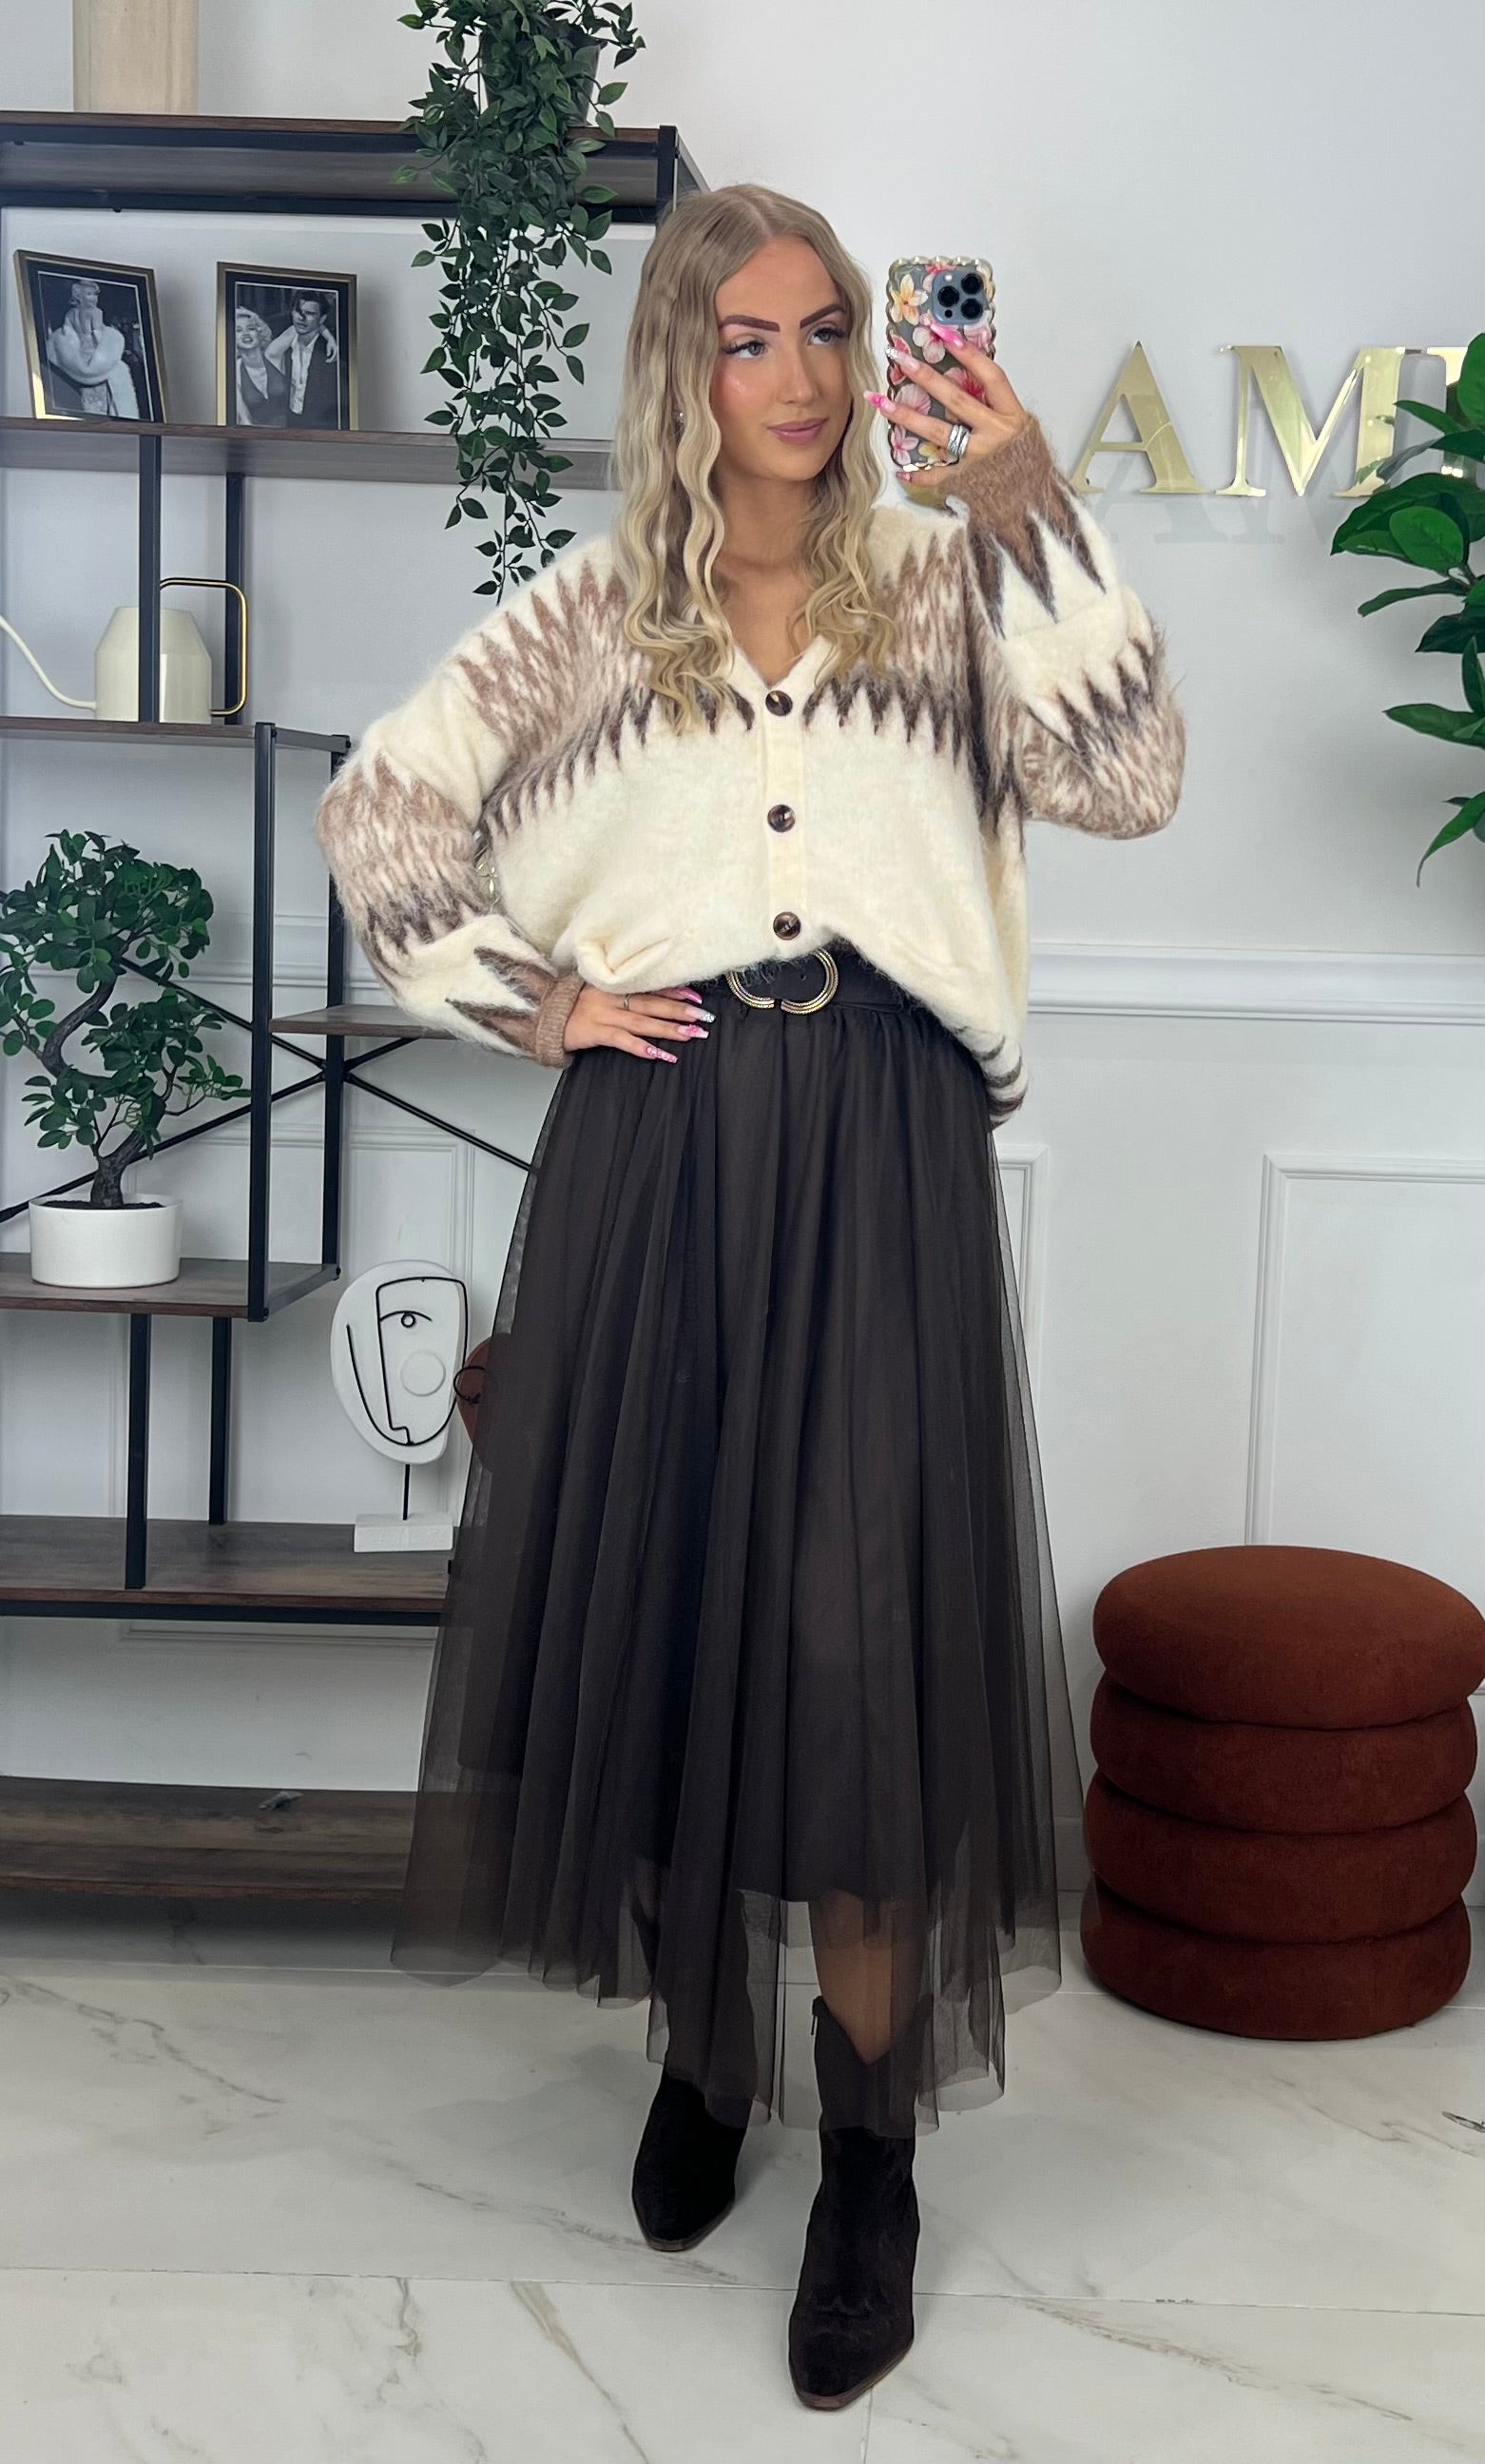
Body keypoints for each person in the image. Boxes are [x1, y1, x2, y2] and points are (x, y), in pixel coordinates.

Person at [313, 184, 1186, 2411]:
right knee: (679, 1598)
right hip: (664, 1140)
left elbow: (1132, 780)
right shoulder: (594, 614)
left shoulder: (941, 583)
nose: (797, 379)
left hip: (881, 1143)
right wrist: (531, 1001)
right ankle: (705, 2058)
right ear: (679, 370)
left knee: (853, 1645)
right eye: (746, 340)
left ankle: (868, 2151)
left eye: (827, 333)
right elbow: (381, 807)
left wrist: (1022, 495)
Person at [44, 278, 140, 418]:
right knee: (106, 393)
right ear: (78, 296)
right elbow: (98, 334)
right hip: (94, 355)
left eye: (95, 294)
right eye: (89, 294)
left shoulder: (71, 313)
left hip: (79, 356)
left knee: (88, 402)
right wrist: (107, 344)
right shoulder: (96, 312)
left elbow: (67, 331)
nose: (94, 298)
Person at [263, 289, 341, 427]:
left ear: (322, 319)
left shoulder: (329, 353)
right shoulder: (284, 346)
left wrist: (328, 336)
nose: (302, 317)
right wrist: (326, 333)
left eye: (310, 313)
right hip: (288, 424)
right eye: (298, 311)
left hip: (319, 429)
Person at [232, 304, 290, 426]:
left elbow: (299, 328)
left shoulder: (273, 355)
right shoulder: (234, 371)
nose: (245, 333)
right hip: (259, 434)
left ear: (259, 332)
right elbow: (244, 419)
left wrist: (255, 317)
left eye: (250, 328)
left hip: (293, 431)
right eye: (238, 330)